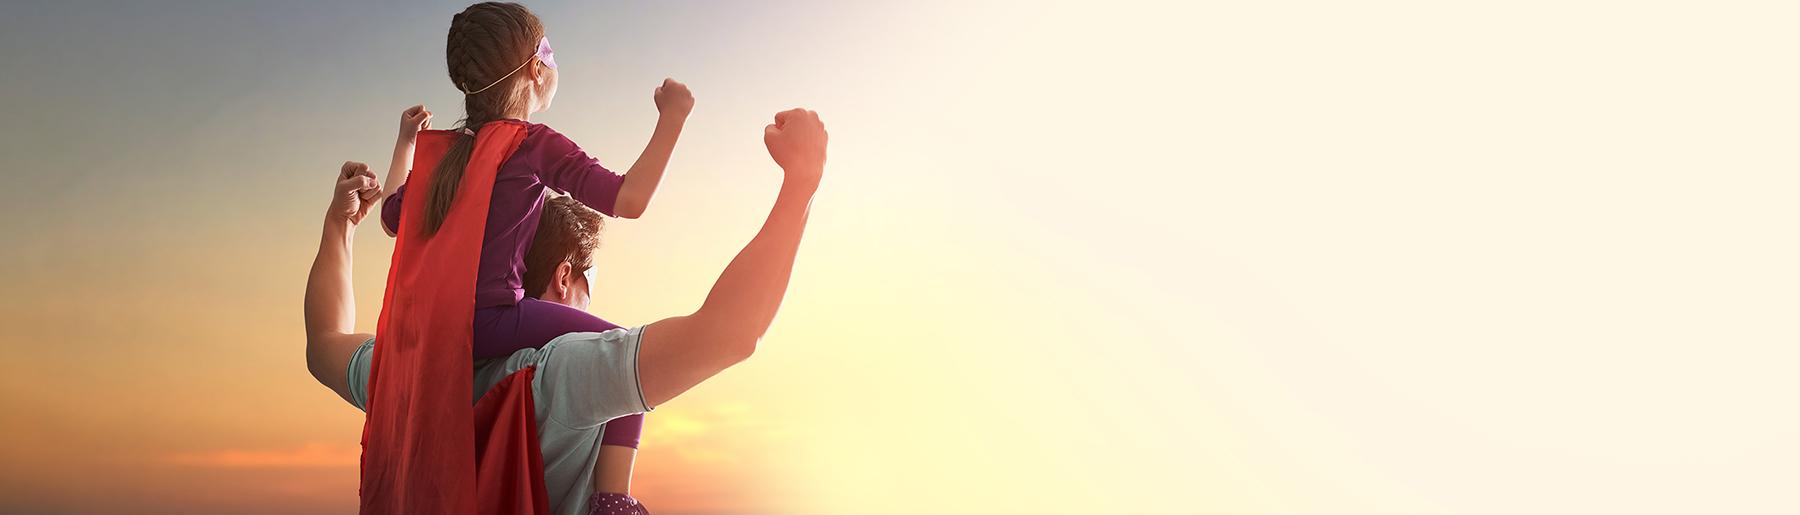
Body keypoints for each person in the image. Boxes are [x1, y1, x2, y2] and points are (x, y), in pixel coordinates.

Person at [305, 108, 829, 514]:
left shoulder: (403, 371)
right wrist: (801, 183)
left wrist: (340, 226)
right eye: (589, 278)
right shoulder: (564, 375)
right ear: (562, 274)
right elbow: (729, 334)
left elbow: (324, 342)